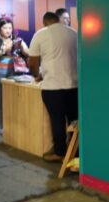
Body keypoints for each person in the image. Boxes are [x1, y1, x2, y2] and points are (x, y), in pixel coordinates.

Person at [28, 12, 78, 162]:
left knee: (57, 120)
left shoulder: (40, 34)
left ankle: (60, 152)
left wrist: (37, 75)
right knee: (74, 120)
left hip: (52, 87)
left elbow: (33, 62)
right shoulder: (73, 33)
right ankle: (76, 152)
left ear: (45, 22)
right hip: (74, 85)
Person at [0, 18, 29, 135]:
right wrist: (3, 50)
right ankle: (1, 128)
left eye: (10, 28)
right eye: (5, 28)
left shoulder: (16, 39)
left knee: (17, 99)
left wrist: (23, 49)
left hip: (16, 72)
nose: (8, 30)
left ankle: (16, 126)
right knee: (0, 99)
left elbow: (28, 52)